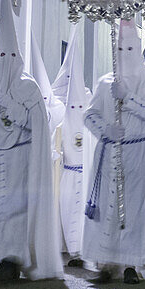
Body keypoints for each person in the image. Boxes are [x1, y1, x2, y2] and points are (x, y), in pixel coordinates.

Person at [0, 0, 62, 281]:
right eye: (2, 55)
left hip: (21, 158)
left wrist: (19, 113)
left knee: (15, 210)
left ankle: (13, 260)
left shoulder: (28, 87)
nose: (6, 60)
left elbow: (41, 122)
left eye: (12, 55)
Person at [82, 19, 145, 284]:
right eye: (121, 49)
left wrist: (128, 99)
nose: (125, 55)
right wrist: (105, 130)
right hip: (109, 151)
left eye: (131, 49)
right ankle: (106, 262)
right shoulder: (104, 83)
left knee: (134, 209)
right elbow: (90, 115)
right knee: (107, 208)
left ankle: (132, 263)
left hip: (137, 152)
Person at [52, 22, 91, 266]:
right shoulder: (59, 116)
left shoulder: (89, 118)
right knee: (67, 210)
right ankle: (70, 248)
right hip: (67, 173)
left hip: (83, 174)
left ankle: (81, 251)